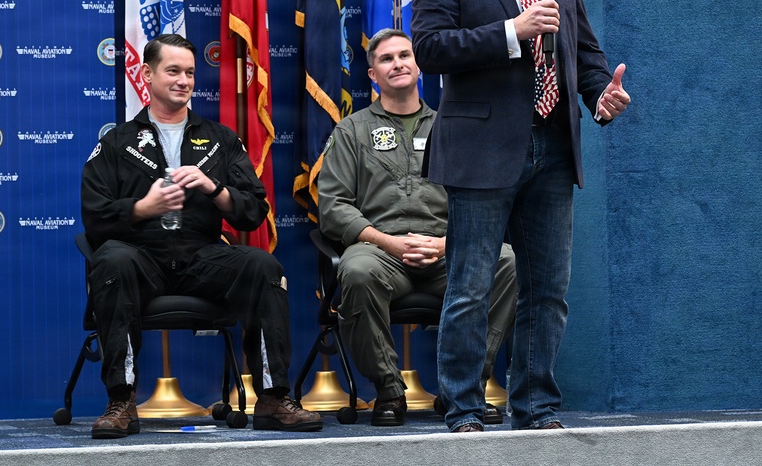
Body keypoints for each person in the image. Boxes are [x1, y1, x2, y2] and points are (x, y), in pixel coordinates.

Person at [410, 0, 631, 433]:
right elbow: (430, 47)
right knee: (471, 287)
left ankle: (534, 406)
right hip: (483, 148)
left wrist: (598, 93)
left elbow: (582, 51)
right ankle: (461, 407)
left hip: (553, 146)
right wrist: (511, 32)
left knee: (547, 290)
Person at [81, 34, 322, 438]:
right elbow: (94, 216)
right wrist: (144, 208)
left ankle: (272, 397)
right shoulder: (117, 142)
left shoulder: (220, 140)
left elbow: (253, 211)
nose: (184, 80)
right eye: (173, 71)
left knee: (263, 265)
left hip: (202, 258)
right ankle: (121, 401)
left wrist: (216, 189)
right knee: (112, 259)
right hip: (142, 257)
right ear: (147, 75)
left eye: (190, 72)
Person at [318, 28, 517, 427]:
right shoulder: (352, 132)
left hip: (448, 251)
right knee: (355, 270)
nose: (398, 64)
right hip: (380, 252)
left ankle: (462, 390)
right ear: (372, 75)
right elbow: (333, 207)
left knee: (505, 260)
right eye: (387, 59)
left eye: (405, 55)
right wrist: (388, 243)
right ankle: (389, 392)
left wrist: (447, 244)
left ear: (419, 64)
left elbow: (483, 200)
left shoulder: (454, 128)